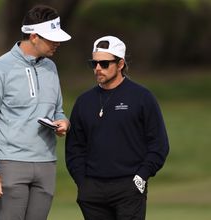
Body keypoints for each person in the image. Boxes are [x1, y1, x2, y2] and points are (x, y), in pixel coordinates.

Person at [0, 5, 71, 220]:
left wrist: (63, 122)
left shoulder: (51, 67)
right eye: (51, 39)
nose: (57, 43)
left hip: (46, 164)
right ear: (34, 36)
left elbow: (58, 110)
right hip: (11, 164)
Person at [65, 36, 169, 220]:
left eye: (104, 64)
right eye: (94, 63)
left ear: (120, 64)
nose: (98, 68)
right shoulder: (84, 101)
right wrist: (82, 183)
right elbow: (74, 147)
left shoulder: (142, 97)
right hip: (93, 191)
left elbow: (159, 144)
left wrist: (141, 176)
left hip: (129, 187)